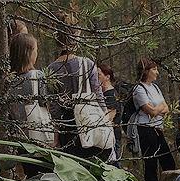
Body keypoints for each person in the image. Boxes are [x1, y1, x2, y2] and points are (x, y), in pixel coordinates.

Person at [47, 12, 111, 161]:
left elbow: (54, 108)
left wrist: (55, 137)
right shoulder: (87, 64)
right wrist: (106, 122)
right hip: (90, 125)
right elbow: (99, 97)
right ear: (76, 36)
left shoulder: (51, 69)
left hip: (67, 129)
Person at [131, 58, 176, 181]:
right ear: (146, 71)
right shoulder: (139, 89)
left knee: (168, 161)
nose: (157, 72)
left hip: (158, 128)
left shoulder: (155, 87)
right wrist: (158, 108)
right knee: (151, 163)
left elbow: (166, 107)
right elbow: (151, 111)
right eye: (154, 69)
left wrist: (158, 109)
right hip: (146, 128)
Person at [8, 33, 55, 157]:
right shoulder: (37, 76)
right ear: (29, 53)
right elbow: (46, 104)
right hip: (38, 136)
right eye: (36, 50)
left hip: (19, 138)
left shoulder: (8, 81)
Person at [97, 63, 122, 161]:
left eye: (99, 75)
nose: (96, 78)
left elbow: (109, 117)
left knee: (112, 163)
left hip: (112, 136)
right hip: (107, 136)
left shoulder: (110, 95)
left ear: (107, 77)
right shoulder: (103, 94)